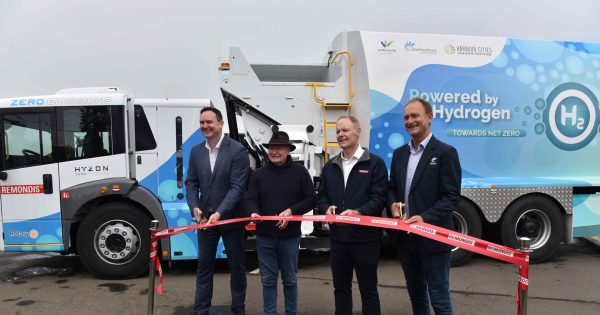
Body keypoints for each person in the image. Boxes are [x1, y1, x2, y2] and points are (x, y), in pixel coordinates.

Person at [388, 98, 462, 315]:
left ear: (429, 118)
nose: (410, 121)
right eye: (406, 117)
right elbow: (392, 187)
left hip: (434, 239)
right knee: (417, 297)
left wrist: (424, 218)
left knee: (439, 298)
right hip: (406, 240)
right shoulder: (400, 154)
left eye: (415, 116)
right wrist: (392, 204)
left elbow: (451, 197)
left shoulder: (446, 153)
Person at [318, 115, 388, 315]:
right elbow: (322, 196)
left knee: (368, 290)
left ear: (358, 131)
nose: (340, 134)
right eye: (338, 131)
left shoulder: (375, 163)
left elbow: (379, 198)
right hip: (338, 239)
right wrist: (326, 208)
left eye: (345, 130)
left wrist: (359, 212)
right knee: (340, 289)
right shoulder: (330, 166)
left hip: (366, 239)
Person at [185, 107, 249, 315]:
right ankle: (201, 309)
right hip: (206, 221)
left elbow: (237, 187)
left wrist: (220, 213)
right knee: (204, 266)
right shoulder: (196, 151)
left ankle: (238, 308)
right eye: (202, 122)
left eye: (209, 122)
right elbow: (191, 183)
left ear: (221, 124)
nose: (205, 126)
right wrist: (195, 206)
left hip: (231, 220)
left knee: (237, 267)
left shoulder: (237, 150)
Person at [245, 131, 317, 315]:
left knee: (290, 280)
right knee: (268, 280)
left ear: (288, 150)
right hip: (265, 237)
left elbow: (311, 199)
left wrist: (292, 212)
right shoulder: (259, 174)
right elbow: (251, 199)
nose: (274, 151)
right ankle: (270, 313)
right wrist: (253, 211)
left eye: (279, 148)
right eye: (271, 148)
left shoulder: (300, 173)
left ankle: (290, 312)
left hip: (290, 237)